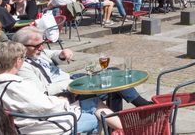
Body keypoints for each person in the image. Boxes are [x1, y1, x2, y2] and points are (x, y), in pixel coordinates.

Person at [0, 41, 120, 134]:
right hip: (41, 127)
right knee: (95, 116)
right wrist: (63, 100)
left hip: (26, 123)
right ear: (18, 61)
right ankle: (130, 129)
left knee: (93, 102)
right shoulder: (15, 86)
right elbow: (44, 106)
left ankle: (128, 129)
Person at [13, 27, 151, 110]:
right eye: (37, 46)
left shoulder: (38, 52)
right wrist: (70, 84)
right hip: (67, 90)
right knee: (112, 79)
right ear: (21, 47)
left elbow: (52, 54)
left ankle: (121, 118)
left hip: (71, 80)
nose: (41, 48)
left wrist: (61, 54)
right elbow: (42, 91)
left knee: (113, 75)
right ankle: (141, 106)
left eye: (42, 44)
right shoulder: (22, 66)